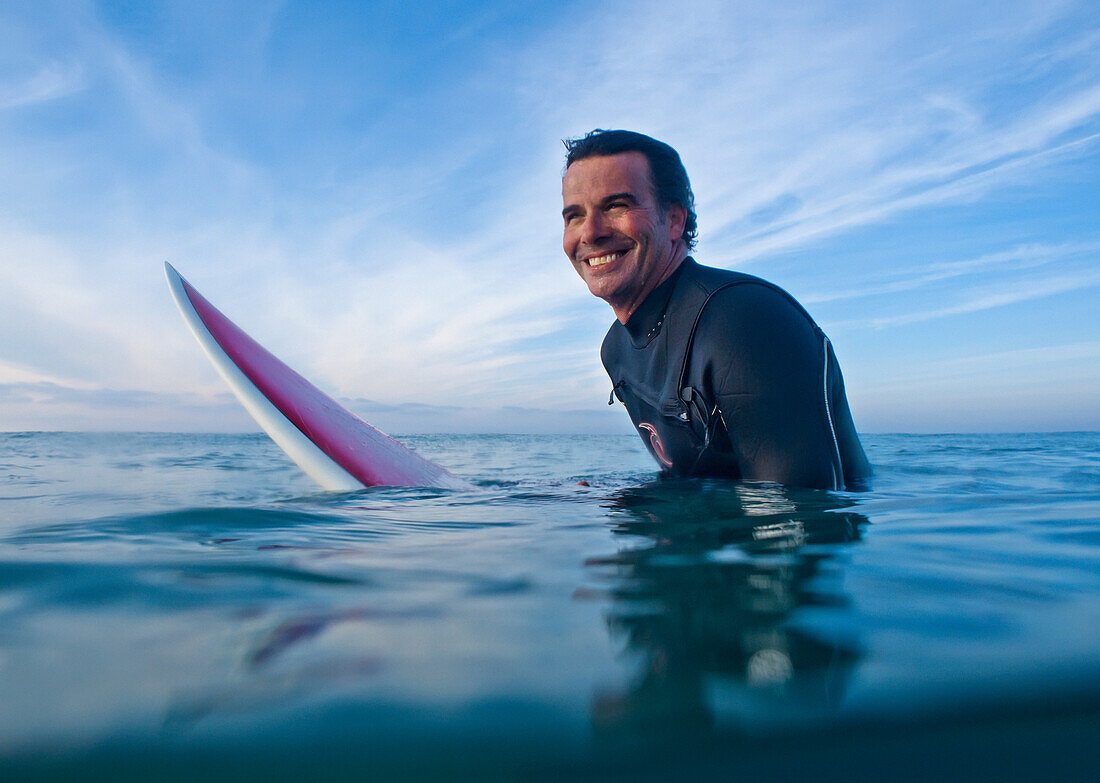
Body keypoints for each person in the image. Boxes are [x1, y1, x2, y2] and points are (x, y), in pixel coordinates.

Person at [561, 129, 871, 490]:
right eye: (574, 215)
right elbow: (691, 481)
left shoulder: (744, 320)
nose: (591, 232)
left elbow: (803, 523)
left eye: (617, 206)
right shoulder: (615, 349)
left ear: (675, 220)